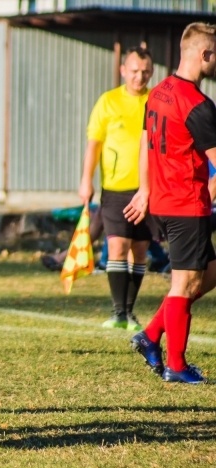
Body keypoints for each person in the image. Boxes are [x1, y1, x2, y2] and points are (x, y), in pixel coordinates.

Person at [125, 22, 216, 385]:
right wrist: (208, 194)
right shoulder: (198, 105)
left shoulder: (159, 92)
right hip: (186, 203)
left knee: (206, 276)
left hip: (165, 201)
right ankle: (176, 366)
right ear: (204, 55)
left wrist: (145, 191)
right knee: (185, 285)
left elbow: (146, 145)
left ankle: (149, 335)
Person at [79, 47, 154, 331]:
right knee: (117, 246)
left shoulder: (156, 101)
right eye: (134, 71)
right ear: (123, 70)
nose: (139, 77)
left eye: (145, 72)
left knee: (140, 249)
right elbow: (93, 144)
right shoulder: (108, 101)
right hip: (115, 188)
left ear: (152, 72)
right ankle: (118, 312)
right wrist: (86, 180)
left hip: (148, 190)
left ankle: (130, 312)